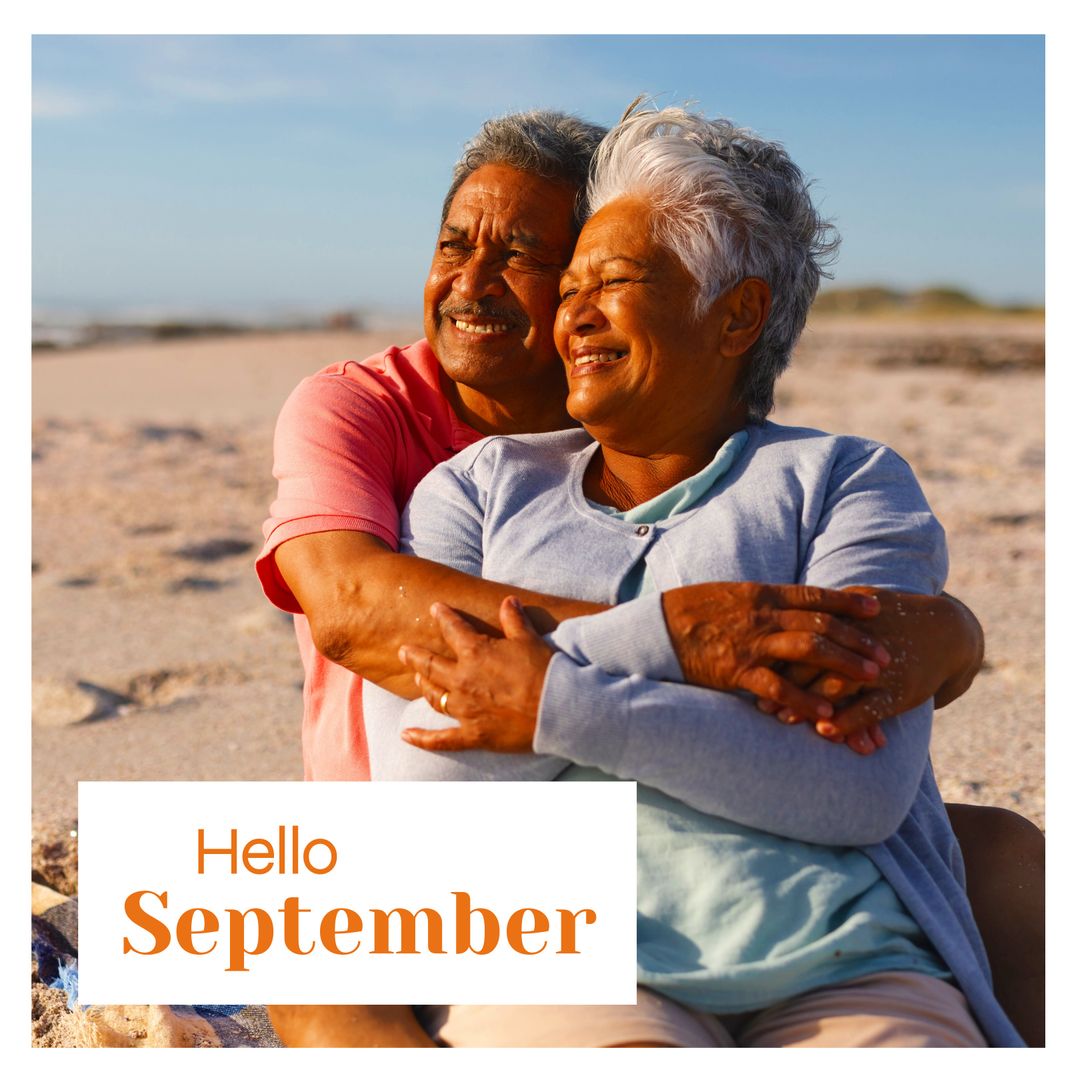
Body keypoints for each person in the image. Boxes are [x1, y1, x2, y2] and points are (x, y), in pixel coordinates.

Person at [257, 110, 1042, 1047]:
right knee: (298, 962)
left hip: (798, 910)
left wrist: (955, 635)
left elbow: (852, 776)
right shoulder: (410, 442)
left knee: (1004, 859)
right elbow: (357, 618)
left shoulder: (811, 469)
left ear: (734, 314)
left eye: (537, 260)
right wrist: (683, 638)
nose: (476, 283)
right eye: (454, 245)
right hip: (436, 860)